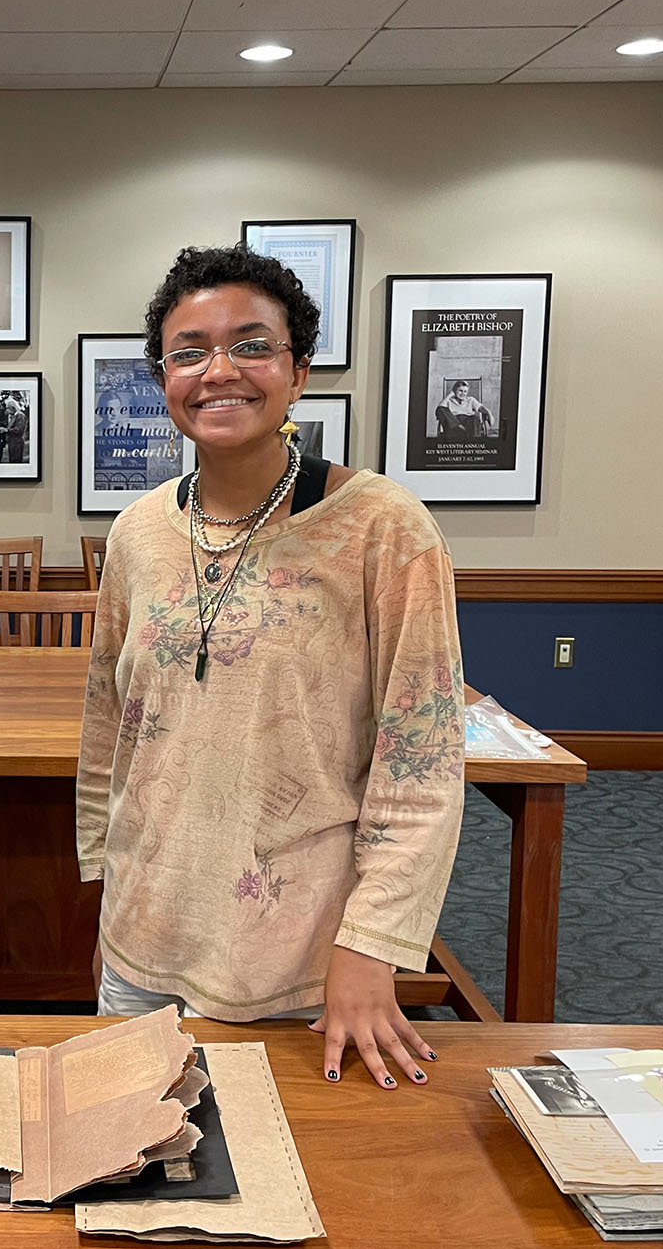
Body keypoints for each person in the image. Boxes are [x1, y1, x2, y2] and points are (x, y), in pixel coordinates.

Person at [77, 244, 465, 1090]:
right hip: (144, 939)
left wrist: (374, 945)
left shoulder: (383, 530)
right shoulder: (136, 534)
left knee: (310, 1202)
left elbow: (423, 763)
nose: (220, 371)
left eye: (252, 345)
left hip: (306, 963)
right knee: (135, 1176)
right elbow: (112, 723)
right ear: (163, 377)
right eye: (189, 351)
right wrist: (105, 868)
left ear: (300, 372)